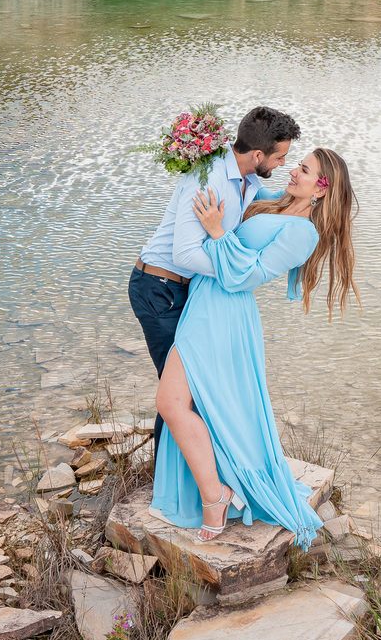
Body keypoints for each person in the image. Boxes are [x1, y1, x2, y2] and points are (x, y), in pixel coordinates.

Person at [150, 147, 359, 547]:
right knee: (195, 405)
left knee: (172, 403)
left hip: (225, 314)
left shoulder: (304, 235)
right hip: (204, 301)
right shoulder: (271, 205)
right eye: (295, 164)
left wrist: (215, 232)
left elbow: (248, 276)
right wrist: (203, 159)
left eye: (304, 169)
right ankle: (211, 492)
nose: (293, 171)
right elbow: (234, 205)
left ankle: (216, 498)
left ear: (321, 189)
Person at [129, 106, 301, 454]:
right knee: (179, 393)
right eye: (281, 157)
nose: (283, 164)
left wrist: (310, 200)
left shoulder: (248, 180)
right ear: (257, 154)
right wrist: (235, 271)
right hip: (160, 289)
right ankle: (165, 478)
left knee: (194, 386)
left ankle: (187, 473)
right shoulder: (208, 182)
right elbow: (186, 255)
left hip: (185, 289)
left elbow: (275, 203)